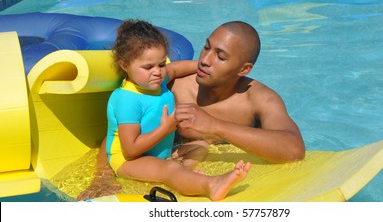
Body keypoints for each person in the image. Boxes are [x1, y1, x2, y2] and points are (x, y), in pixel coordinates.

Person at [76, 21, 304, 201]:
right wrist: (102, 177)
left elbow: (293, 149)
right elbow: (117, 130)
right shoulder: (171, 84)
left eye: (220, 56)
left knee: (200, 147)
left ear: (243, 69)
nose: (205, 60)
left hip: (182, 167)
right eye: (206, 47)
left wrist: (215, 127)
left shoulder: (259, 100)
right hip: (147, 166)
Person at [102, 20, 251, 201]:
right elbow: (131, 149)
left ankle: (185, 177)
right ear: (125, 65)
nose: (157, 71)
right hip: (129, 161)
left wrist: (210, 67)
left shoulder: (156, 82)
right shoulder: (128, 100)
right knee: (170, 169)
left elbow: (177, 68)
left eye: (161, 64)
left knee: (200, 146)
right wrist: (165, 128)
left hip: (158, 154)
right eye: (148, 67)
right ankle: (210, 185)